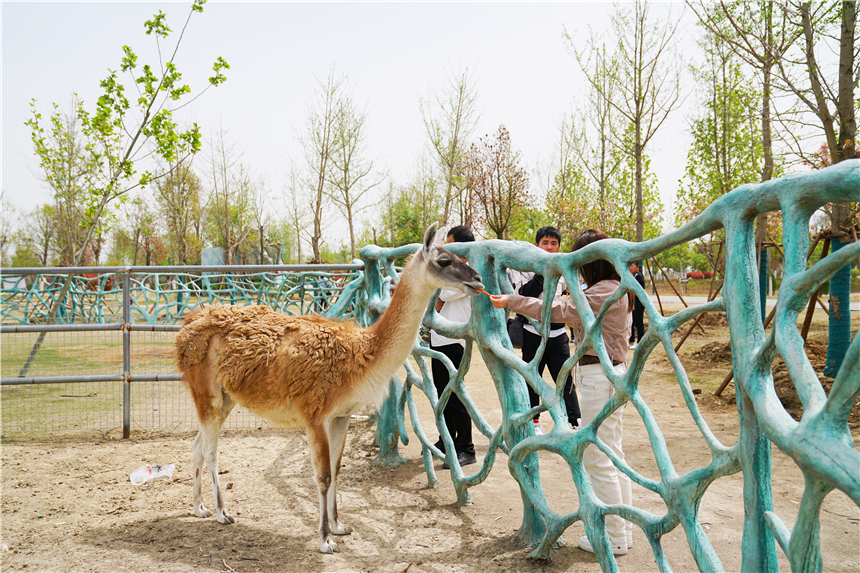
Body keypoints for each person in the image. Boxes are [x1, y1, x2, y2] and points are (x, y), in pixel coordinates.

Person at [489, 229, 634, 555]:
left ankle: (615, 538)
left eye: (581, 261)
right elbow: (562, 303)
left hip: (601, 376)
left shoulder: (602, 292)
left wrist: (511, 300)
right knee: (613, 453)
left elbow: (559, 311)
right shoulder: (612, 287)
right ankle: (623, 529)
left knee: (598, 457)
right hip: (608, 375)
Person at [510, 226, 581, 435]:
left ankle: (575, 420)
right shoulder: (523, 268)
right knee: (533, 380)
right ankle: (534, 423)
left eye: (554, 244)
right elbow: (523, 296)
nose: (549, 248)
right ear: (536, 245)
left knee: (565, 380)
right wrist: (542, 274)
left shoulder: (564, 269)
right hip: (533, 334)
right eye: (545, 243)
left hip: (558, 335)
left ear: (559, 246)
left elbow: (570, 293)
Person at [430, 225, 477, 469]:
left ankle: (467, 448)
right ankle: (446, 440)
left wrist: (438, 289)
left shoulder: (467, 274)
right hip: (439, 338)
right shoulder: (451, 272)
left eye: (451, 246)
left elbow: (443, 294)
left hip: (455, 340)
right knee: (442, 394)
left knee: (456, 395)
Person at [629, 261, 645, 349]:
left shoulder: (638, 276)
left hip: (638, 303)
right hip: (633, 303)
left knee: (638, 323)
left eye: (632, 266)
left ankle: (640, 342)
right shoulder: (633, 276)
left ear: (637, 267)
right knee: (632, 322)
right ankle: (631, 341)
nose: (630, 268)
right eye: (630, 266)